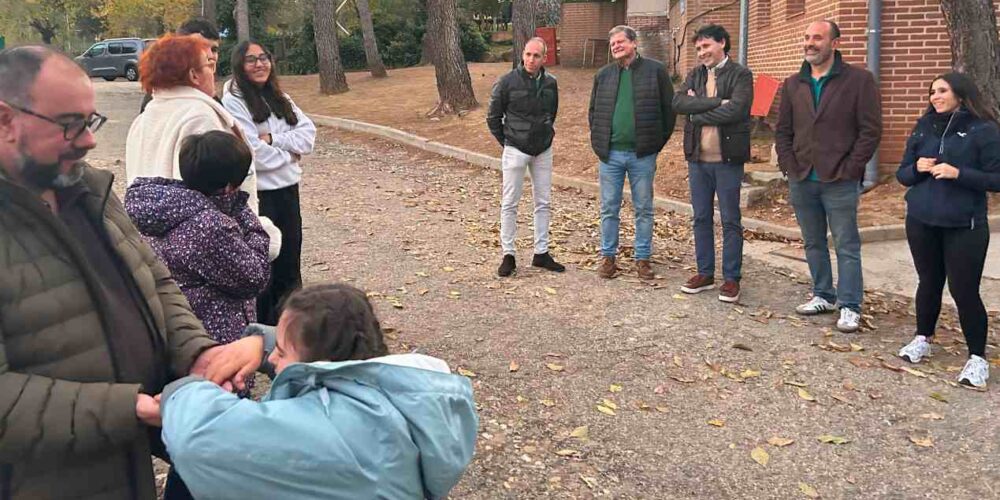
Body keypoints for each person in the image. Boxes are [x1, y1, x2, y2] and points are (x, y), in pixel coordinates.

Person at [0, 45, 263, 499]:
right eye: (71, 125)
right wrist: (129, 409)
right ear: (5, 120)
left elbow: (155, 281)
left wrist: (195, 352)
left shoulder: (88, 192)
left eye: (90, 121)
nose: (89, 140)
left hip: (123, 469)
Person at [160, 284, 479, 499]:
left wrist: (181, 394)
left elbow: (198, 439)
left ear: (318, 368)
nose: (271, 360)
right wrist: (262, 341)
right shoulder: (403, 399)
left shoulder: (333, 435)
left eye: (281, 353)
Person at [125, 33, 282, 261]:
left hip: (159, 248)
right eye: (208, 65)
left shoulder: (144, 119)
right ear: (193, 75)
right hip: (206, 253)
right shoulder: (199, 117)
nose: (213, 72)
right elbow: (212, 195)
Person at [775, 20, 882, 332]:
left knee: (846, 245)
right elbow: (783, 131)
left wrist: (852, 168)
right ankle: (823, 293)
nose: (810, 43)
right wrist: (787, 166)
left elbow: (870, 130)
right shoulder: (794, 83)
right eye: (807, 37)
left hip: (840, 179)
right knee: (812, 241)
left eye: (818, 38)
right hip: (802, 177)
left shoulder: (859, 80)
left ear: (835, 43)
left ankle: (850, 304)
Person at [895, 73, 1000, 388]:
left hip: (964, 225)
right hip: (921, 220)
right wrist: (917, 169)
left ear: (960, 93)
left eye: (942, 90)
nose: (934, 96)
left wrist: (959, 173)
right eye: (931, 92)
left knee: (963, 289)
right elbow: (903, 174)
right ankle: (923, 338)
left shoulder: (984, 130)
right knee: (928, 282)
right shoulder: (923, 126)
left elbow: (997, 179)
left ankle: (977, 358)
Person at [125, 131, 270, 348]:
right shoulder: (210, 226)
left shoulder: (165, 206)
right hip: (216, 334)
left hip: (181, 329)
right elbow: (253, 279)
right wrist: (248, 220)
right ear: (230, 185)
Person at [223, 41, 316, 325]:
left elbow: (309, 136)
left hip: (288, 193)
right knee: (264, 268)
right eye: (251, 60)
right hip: (261, 198)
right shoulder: (233, 101)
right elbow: (253, 155)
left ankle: (292, 329)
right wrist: (290, 156)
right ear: (240, 65)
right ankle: (263, 332)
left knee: (290, 264)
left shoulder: (280, 97)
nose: (260, 64)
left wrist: (275, 139)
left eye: (264, 58)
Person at [671, 24, 753, 302]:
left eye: (706, 46)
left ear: (722, 44)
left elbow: (738, 110)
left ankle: (731, 279)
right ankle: (705, 273)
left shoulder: (741, 74)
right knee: (701, 218)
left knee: (731, 220)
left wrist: (698, 111)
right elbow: (679, 103)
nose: (701, 53)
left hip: (727, 161)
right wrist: (717, 102)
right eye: (698, 49)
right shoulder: (695, 74)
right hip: (698, 160)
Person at [588, 25, 676, 280]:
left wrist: (654, 144)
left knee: (644, 209)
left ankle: (643, 259)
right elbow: (593, 112)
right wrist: (599, 143)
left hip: (642, 156)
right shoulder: (603, 75)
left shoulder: (656, 71)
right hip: (610, 155)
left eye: (621, 42)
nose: (616, 46)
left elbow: (668, 111)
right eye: (613, 43)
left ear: (634, 43)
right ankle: (607, 257)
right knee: (608, 208)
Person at [486, 36, 564, 277]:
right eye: (528, 54)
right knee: (510, 203)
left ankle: (541, 252)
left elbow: (552, 112)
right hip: (515, 148)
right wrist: (508, 142)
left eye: (537, 55)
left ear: (544, 57)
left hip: (543, 149)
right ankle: (508, 254)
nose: (531, 59)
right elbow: (493, 117)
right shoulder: (507, 82)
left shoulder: (551, 83)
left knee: (543, 202)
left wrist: (546, 134)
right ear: (522, 54)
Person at [139, 17, 221, 113]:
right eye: (200, 48)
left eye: (214, 50)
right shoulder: (160, 98)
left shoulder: (211, 98)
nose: (210, 56)